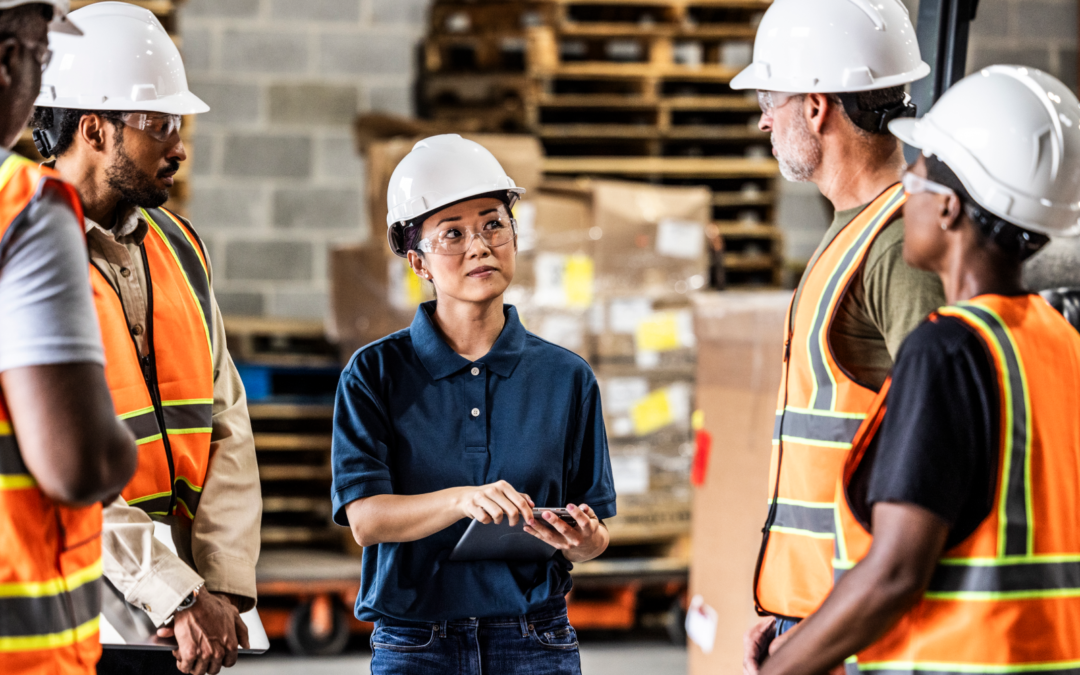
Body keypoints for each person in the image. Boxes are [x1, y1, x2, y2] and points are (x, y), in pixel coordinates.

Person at [756, 65, 1080, 675]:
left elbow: (895, 573)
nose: (908, 187)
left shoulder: (949, 350)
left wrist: (786, 664)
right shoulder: (1059, 338)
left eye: (921, 173)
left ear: (951, 209)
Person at [31, 4, 261, 674]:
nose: (180, 146)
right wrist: (173, 590)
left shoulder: (181, 249)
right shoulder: (20, 253)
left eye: (178, 125)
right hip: (65, 616)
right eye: (159, 125)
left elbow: (227, 424)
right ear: (95, 129)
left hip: (181, 632)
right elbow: (49, 460)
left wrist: (218, 587)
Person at [331, 134, 616, 675]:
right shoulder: (374, 374)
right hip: (415, 645)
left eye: (493, 224)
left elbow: (593, 531)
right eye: (453, 234)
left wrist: (583, 540)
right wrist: (464, 500)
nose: (480, 246)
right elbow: (366, 519)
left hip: (536, 638)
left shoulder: (567, 378)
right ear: (418, 262)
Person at [727, 0, 947, 662]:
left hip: (865, 634)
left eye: (773, 97)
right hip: (821, 618)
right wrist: (786, 613)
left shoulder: (899, 248)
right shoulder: (856, 229)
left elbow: (943, 457)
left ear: (816, 106)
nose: (765, 117)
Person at [0, 2, 138, 674]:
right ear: (6, 61)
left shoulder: (180, 251)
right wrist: (121, 454)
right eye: (40, 57)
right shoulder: (23, 203)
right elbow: (75, 462)